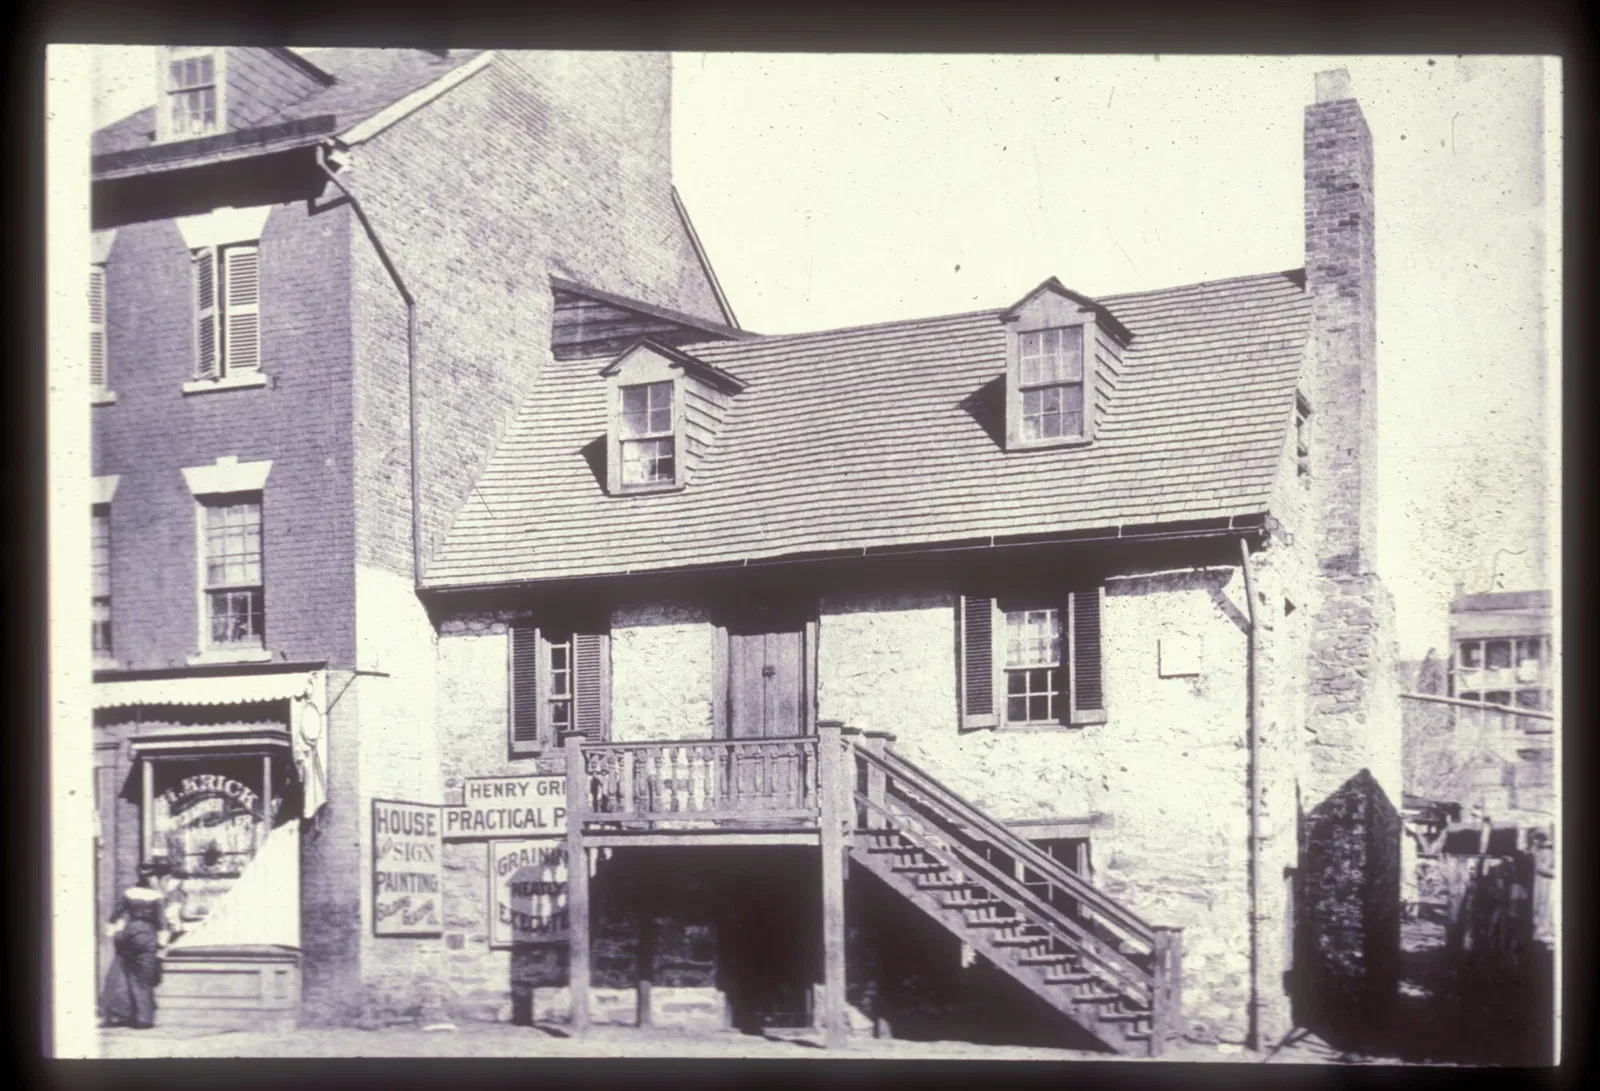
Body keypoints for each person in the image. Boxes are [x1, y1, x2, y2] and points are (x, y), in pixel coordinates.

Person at [99, 887, 164, 1029]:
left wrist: (111, 930)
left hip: (130, 932)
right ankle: (144, 1018)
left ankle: (120, 1012)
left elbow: (116, 914)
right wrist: (162, 946)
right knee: (144, 979)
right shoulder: (157, 897)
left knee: (121, 971)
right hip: (148, 935)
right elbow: (161, 922)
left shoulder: (129, 894)